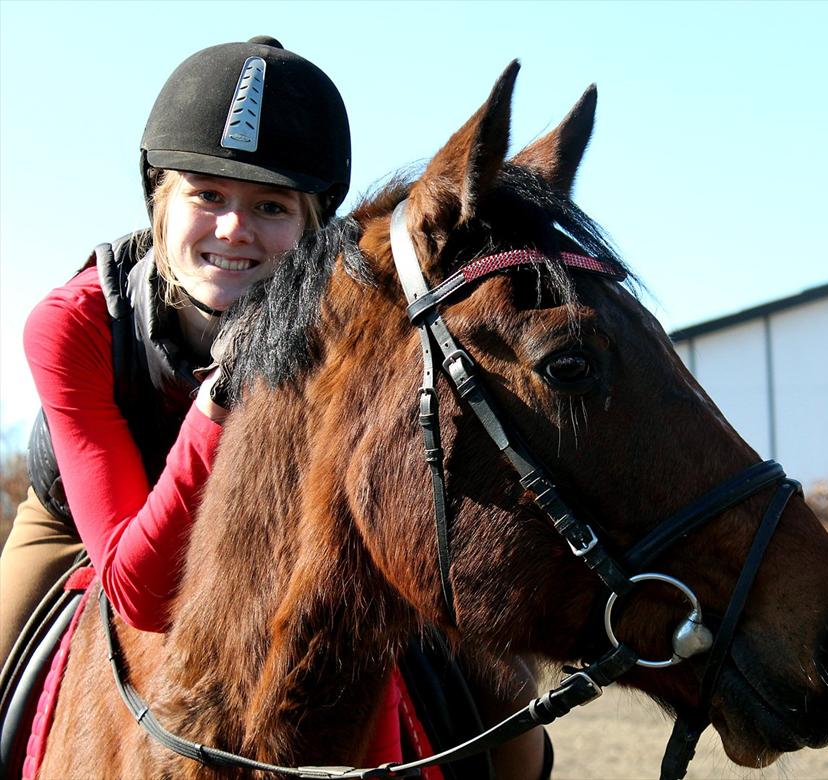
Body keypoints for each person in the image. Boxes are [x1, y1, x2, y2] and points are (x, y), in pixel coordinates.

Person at [0, 36, 547, 778]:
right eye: (206, 195)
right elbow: (140, 593)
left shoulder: (352, 323)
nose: (234, 228)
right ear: (159, 199)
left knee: (511, 720)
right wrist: (220, 401)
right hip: (91, 523)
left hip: (287, 536)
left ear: (314, 226)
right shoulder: (72, 324)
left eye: (270, 206)